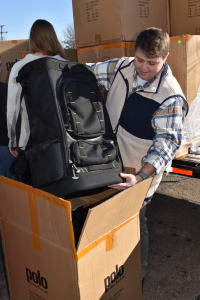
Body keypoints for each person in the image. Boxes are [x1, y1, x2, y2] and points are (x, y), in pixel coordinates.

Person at [89, 27, 188, 284]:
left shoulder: (170, 96)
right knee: (103, 217)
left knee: (134, 222)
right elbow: (88, 71)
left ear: (165, 58)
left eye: (152, 63)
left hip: (137, 173)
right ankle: (106, 271)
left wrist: (141, 178)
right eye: (140, 59)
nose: (143, 68)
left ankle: (136, 276)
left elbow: (166, 145)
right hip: (108, 161)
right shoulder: (123, 67)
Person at [7, 19, 67, 158]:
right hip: (67, 137)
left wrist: (13, 140)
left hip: (32, 139)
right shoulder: (67, 65)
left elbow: (13, 107)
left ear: (32, 39)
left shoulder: (21, 67)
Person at [0, 56, 18, 179]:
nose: (2, 69)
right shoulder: (3, 89)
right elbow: (11, 118)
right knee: (15, 182)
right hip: (4, 146)